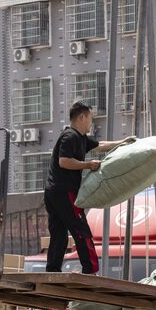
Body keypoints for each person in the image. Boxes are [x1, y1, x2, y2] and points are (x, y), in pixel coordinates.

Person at [44, 101, 136, 274]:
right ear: (82, 117)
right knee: (81, 229)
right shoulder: (69, 137)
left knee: (59, 233)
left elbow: (100, 146)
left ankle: (53, 270)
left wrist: (123, 142)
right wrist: (88, 165)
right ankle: (90, 269)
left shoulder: (80, 138)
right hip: (64, 191)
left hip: (53, 192)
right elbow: (63, 161)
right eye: (90, 119)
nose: (91, 123)